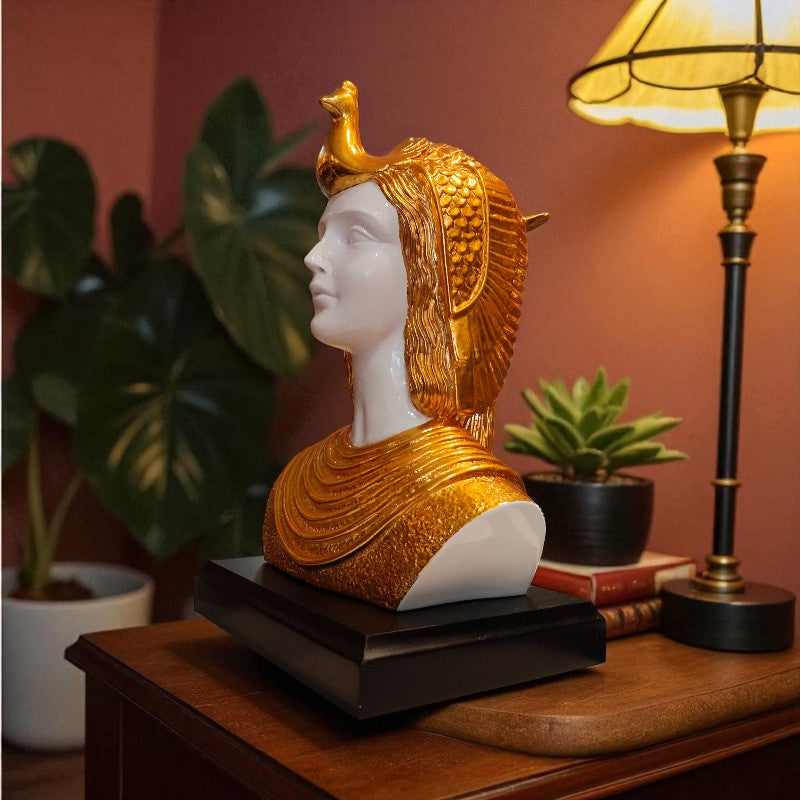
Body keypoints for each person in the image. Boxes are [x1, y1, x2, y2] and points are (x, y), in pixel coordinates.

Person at [263, 81, 547, 611]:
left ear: (430, 270)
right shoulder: (297, 485)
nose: (314, 256)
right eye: (323, 232)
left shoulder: (479, 507)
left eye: (356, 236)